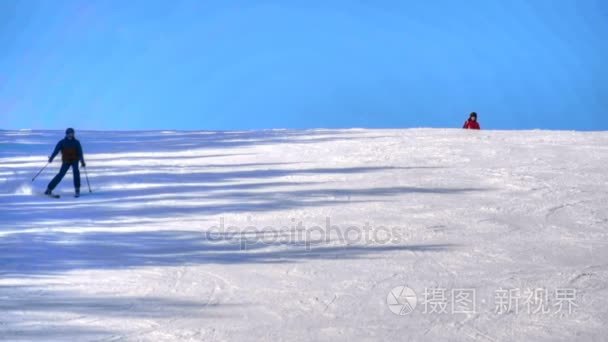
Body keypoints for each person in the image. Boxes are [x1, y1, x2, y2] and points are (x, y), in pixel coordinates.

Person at [45, 128, 86, 197]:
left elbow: (80, 153)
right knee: (61, 174)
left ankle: (77, 189)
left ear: (73, 134)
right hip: (66, 161)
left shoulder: (76, 142)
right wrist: (51, 158)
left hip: (75, 160)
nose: (70, 135)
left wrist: (82, 161)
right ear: (66, 134)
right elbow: (56, 151)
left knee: (76, 172)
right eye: (69, 134)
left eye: (72, 134)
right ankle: (49, 189)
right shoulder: (62, 142)